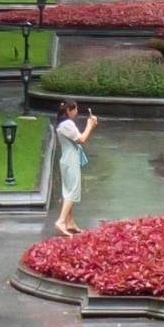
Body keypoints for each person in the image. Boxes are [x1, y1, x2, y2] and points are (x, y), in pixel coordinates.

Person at [50, 100, 98, 237]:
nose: (77, 112)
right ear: (68, 111)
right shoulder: (67, 124)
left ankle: (70, 222)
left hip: (68, 158)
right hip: (70, 160)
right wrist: (90, 125)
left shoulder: (62, 124)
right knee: (72, 191)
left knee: (68, 190)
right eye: (75, 109)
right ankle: (61, 221)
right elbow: (81, 139)